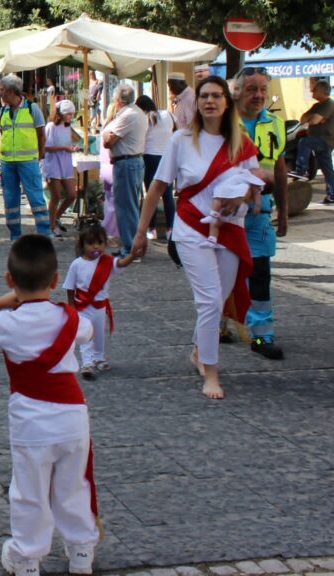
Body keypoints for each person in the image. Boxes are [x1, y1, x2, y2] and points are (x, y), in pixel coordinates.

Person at [0, 235, 99, 576]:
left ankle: (26, 557)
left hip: (31, 421)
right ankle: (81, 551)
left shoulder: (7, 322)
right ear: (54, 280)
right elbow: (89, 331)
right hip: (72, 418)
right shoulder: (70, 319)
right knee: (73, 484)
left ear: (9, 279)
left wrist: (7, 300)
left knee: (30, 490)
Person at [133, 76, 260, 400]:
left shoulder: (241, 143)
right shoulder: (181, 140)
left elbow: (255, 189)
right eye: (204, 96)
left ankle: (198, 351)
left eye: (217, 95)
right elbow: (158, 187)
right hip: (190, 227)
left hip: (230, 228)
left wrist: (241, 198)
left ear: (226, 103)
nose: (210, 101)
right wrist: (140, 232)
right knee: (208, 299)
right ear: (197, 102)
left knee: (218, 299)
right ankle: (211, 373)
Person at [228, 66, 290, 359]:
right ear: (237, 91)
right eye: (252, 89)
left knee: (261, 270)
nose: (259, 95)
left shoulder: (275, 124)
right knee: (223, 271)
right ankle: (219, 323)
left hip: (260, 209)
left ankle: (262, 334)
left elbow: (279, 167)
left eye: (263, 89)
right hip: (226, 209)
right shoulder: (220, 123)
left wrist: (285, 211)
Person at [65, 222, 136, 378]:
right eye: (91, 243)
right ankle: (87, 362)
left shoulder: (107, 261)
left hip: (100, 306)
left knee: (99, 333)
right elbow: (70, 286)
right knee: (85, 333)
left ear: (105, 243)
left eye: (100, 243)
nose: (96, 247)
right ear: (82, 245)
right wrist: (71, 306)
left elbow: (122, 263)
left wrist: (132, 255)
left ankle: (99, 357)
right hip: (83, 306)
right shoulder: (76, 264)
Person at [0, 74, 52, 239]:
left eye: (2, 91)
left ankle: (44, 234)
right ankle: (15, 235)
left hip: (28, 161)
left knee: (36, 198)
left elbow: (41, 134)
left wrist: (40, 154)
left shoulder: (31, 108)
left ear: (12, 91)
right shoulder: (3, 110)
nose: (0, 94)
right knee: (10, 200)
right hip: (7, 163)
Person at [101, 85, 148, 258]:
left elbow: (108, 141)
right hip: (131, 162)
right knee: (130, 206)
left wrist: (106, 134)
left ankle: (130, 248)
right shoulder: (136, 113)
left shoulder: (128, 115)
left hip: (127, 163)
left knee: (126, 207)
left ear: (119, 100)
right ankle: (132, 246)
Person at [136, 95, 175, 241]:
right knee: (167, 194)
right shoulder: (167, 114)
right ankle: (171, 228)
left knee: (151, 194)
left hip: (149, 156)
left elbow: (141, 138)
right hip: (167, 156)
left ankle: (152, 229)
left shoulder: (145, 118)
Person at [289, 80, 334, 203]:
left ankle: (301, 170)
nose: (311, 91)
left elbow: (313, 121)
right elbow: (303, 118)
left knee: (304, 142)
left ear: (322, 91)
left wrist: (313, 117)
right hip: (319, 139)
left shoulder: (328, 104)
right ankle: (332, 195)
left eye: (315, 89)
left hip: (325, 139)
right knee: (327, 168)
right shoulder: (317, 106)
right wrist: (312, 117)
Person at [44, 100, 79, 237]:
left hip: (65, 163)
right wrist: (64, 148)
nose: (71, 117)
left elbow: (71, 141)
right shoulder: (51, 126)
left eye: (72, 114)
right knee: (56, 195)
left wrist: (72, 148)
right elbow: (46, 147)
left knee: (72, 195)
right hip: (53, 164)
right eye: (69, 114)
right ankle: (51, 226)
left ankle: (55, 218)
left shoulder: (67, 127)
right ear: (62, 114)